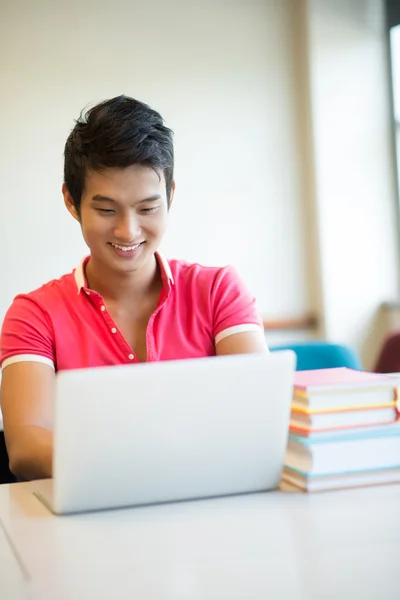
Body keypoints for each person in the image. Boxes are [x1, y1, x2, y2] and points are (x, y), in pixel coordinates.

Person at [0, 95, 267, 481]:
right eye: (107, 210)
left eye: (147, 208)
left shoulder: (218, 291)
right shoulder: (34, 314)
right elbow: (26, 449)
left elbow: (258, 414)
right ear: (71, 202)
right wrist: (155, 465)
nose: (128, 231)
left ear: (171, 197)